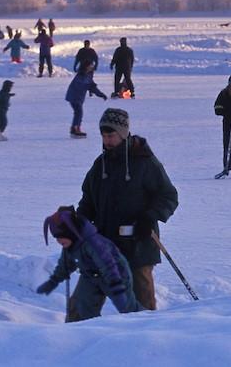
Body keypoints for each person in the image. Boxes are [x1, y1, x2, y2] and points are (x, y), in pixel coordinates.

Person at [77, 108, 179, 315]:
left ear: (123, 133)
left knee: (142, 307)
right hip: (104, 245)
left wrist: (149, 218)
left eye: (111, 135)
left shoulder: (145, 162)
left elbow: (168, 196)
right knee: (82, 303)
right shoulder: (100, 165)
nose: (107, 140)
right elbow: (88, 199)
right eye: (104, 136)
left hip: (138, 246)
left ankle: (147, 340)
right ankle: (76, 338)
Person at [37, 206, 140, 322]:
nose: (58, 241)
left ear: (70, 233)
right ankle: (87, 333)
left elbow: (108, 264)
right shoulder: (70, 245)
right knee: (83, 308)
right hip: (91, 277)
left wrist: (117, 287)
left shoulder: (93, 243)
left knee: (129, 310)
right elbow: (65, 265)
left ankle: (151, 323)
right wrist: (53, 281)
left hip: (116, 274)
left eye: (61, 237)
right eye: (56, 238)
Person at [66, 62, 108, 138]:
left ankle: (76, 128)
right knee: (79, 112)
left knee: (78, 112)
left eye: (92, 66)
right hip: (74, 96)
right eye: (90, 66)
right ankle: (75, 128)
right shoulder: (80, 75)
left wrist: (101, 95)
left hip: (79, 98)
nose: (91, 67)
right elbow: (81, 84)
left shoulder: (88, 75)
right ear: (85, 67)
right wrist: (90, 85)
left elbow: (93, 87)